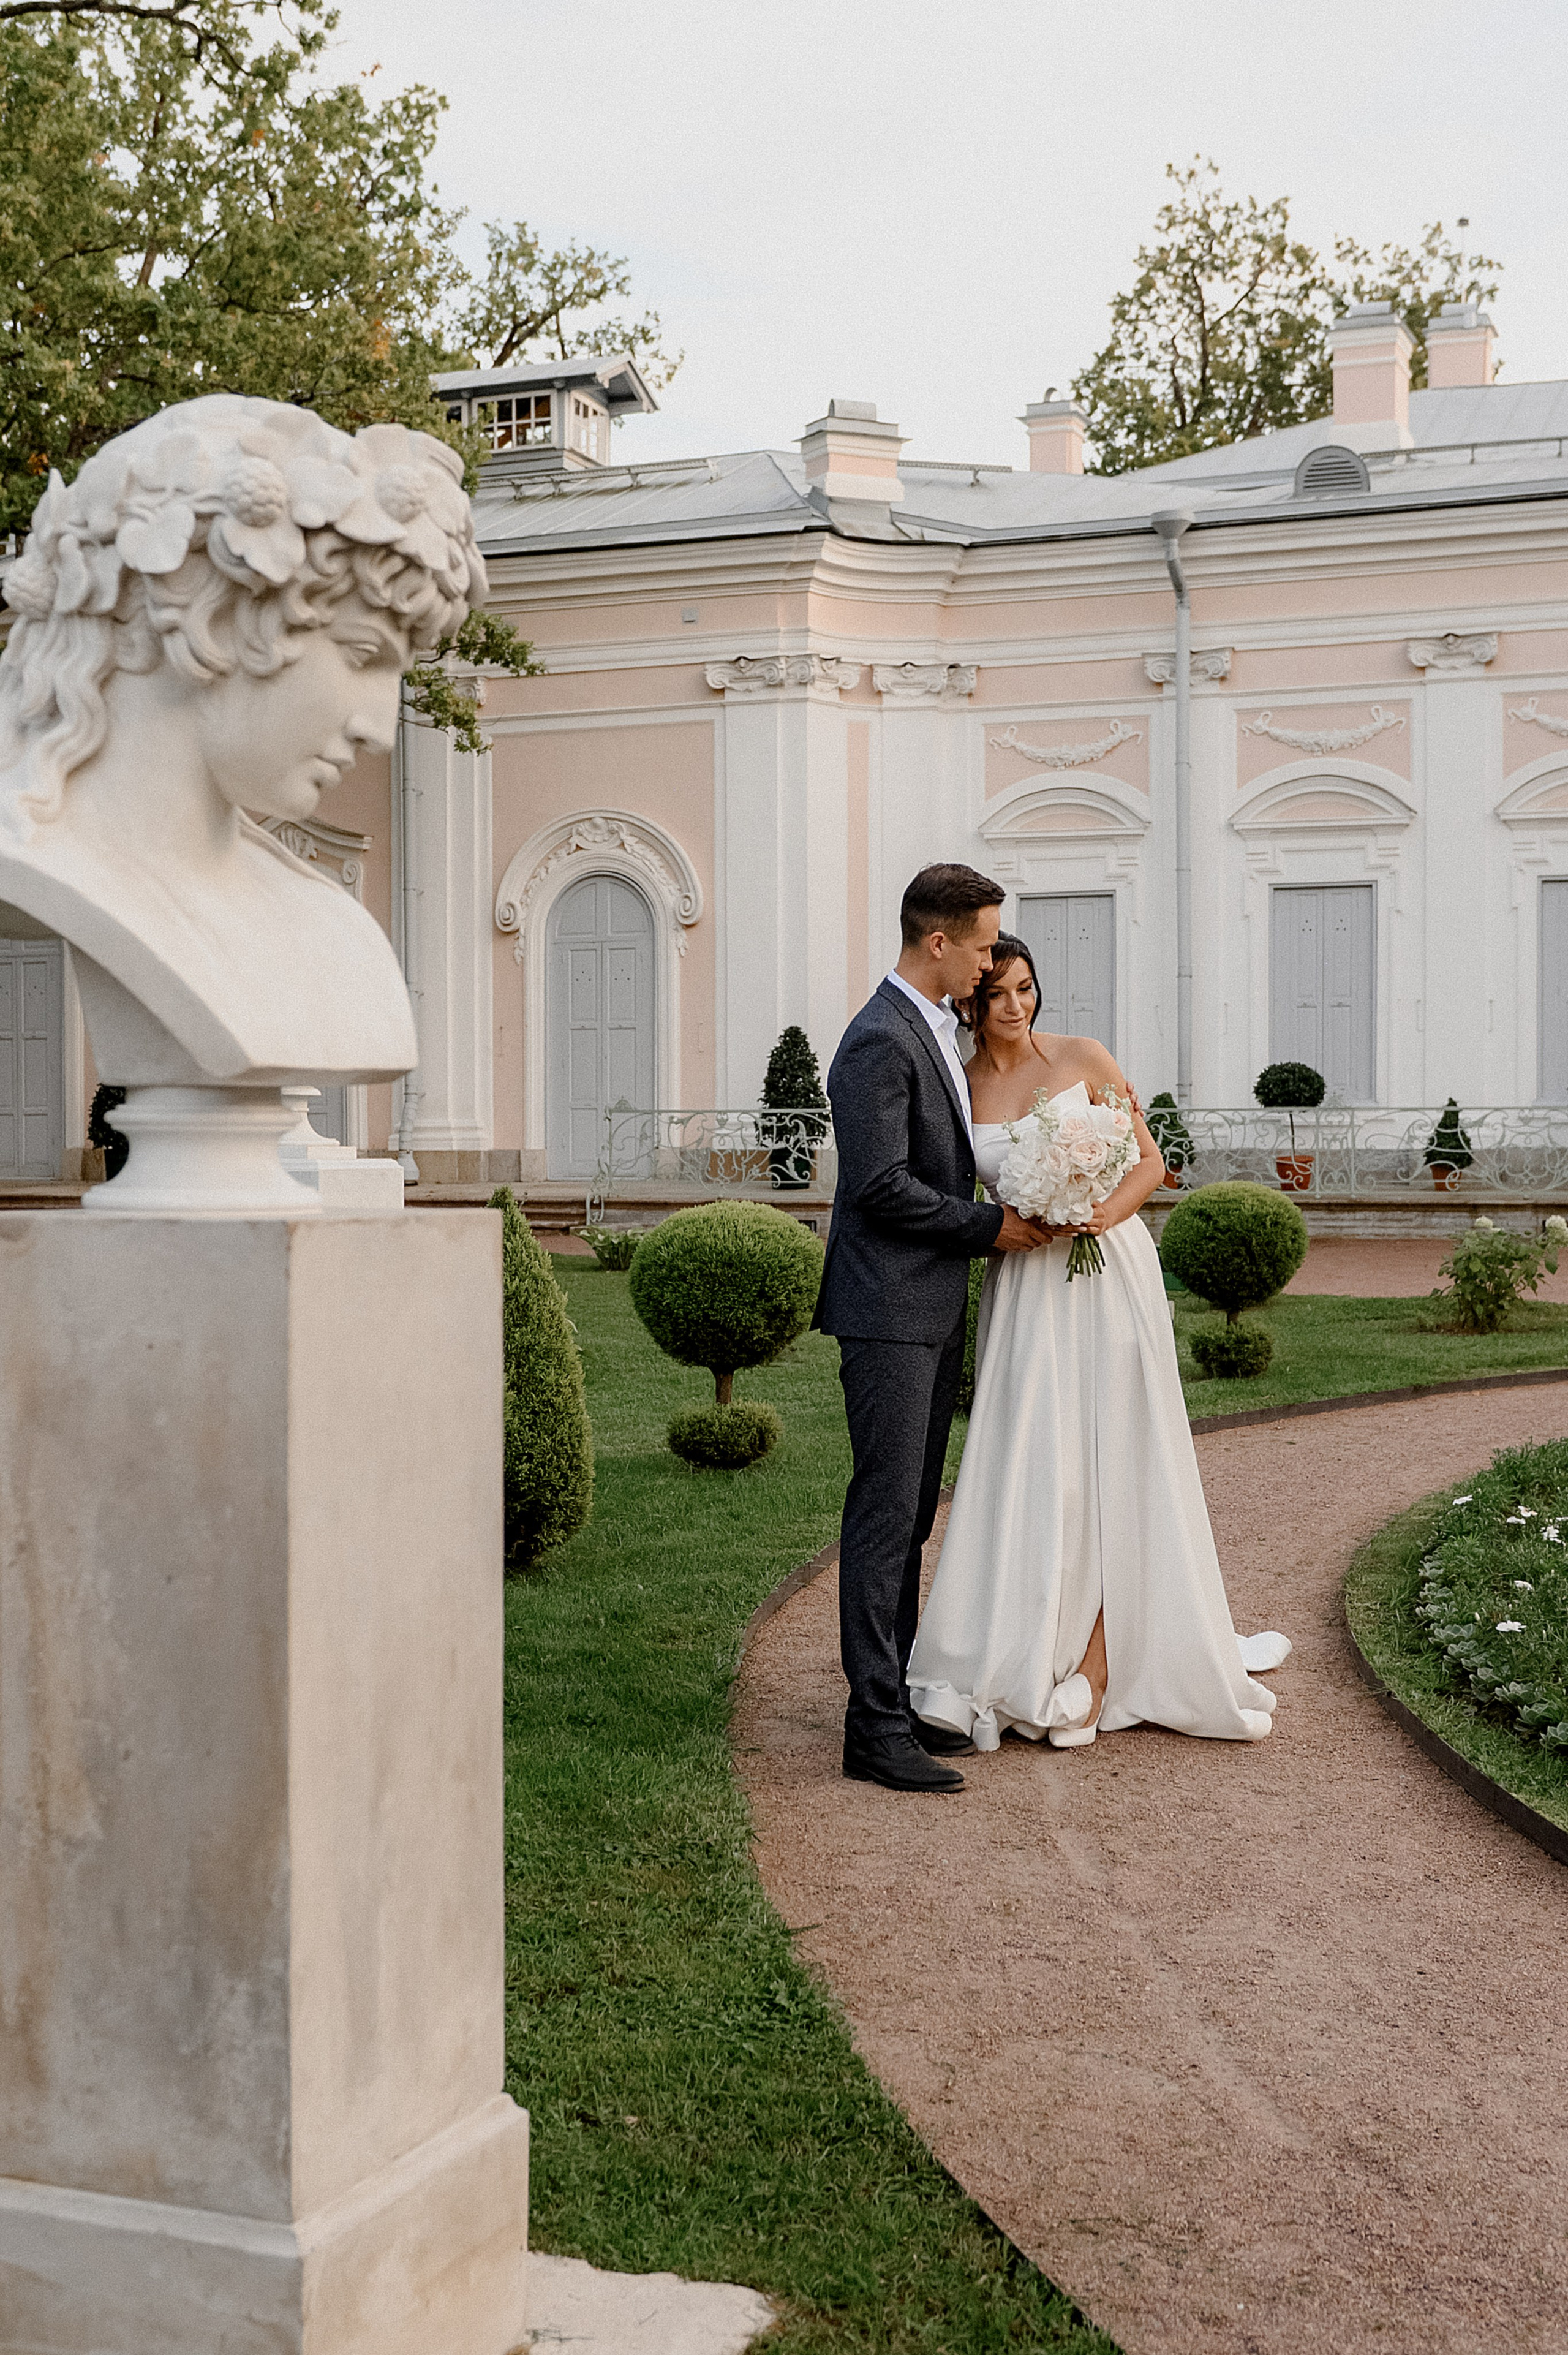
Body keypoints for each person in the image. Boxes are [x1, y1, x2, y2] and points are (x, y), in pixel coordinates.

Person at [905, 934, 1289, 1753]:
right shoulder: (957, 1084)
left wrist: (1097, 1213)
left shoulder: (1085, 1056)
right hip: (1022, 1284)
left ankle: (1101, 1664)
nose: (1016, 1007)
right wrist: (1020, 1219)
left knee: (1120, 1458)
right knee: (1035, 1460)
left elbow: (1149, 1164)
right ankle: (1017, 1641)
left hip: (1107, 1271)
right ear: (970, 1004)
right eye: (998, 993)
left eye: (1027, 988)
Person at [816, 866, 1048, 1794]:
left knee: (910, 1514)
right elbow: (878, 1187)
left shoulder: (931, 1029)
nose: (995, 962)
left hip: (927, 1307)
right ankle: (871, 1728)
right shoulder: (879, 1038)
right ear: (940, 941)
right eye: (987, 943)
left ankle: (896, 1697)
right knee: (883, 1518)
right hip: (887, 1313)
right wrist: (994, 1227)